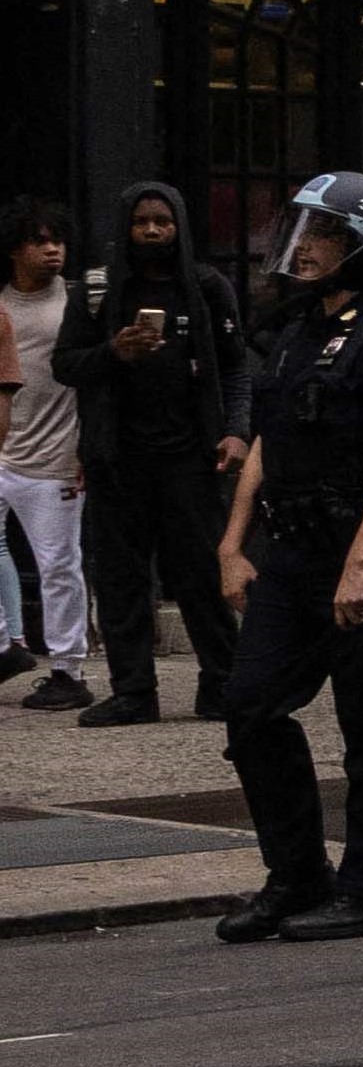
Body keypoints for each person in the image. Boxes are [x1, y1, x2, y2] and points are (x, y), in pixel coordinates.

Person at [207, 172, 363, 941]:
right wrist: (234, 542)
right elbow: (268, 441)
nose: (302, 250)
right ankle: (299, 875)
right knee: (249, 704)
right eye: (299, 233)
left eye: (323, 236)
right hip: (292, 554)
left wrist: (362, 563)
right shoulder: (298, 329)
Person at [63, 185, 245, 731]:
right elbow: (64, 364)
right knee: (120, 580)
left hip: (191, 456)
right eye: (141, 221)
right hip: (117, 458)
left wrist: (236, 431)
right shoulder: (97, 291)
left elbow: (237, 367)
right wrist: (113, 352)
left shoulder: (207, 287)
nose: (150, 231)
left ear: (179, 225)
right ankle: (133, 691)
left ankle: (221, 684)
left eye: (162, 221)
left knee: (200, 576)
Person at [0, 203, 83, 700]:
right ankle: (8, 645)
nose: (52, 249)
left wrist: (87, 451)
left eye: (58, 240)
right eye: (39, 240)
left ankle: (69, 669)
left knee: (58, 565)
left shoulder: (77, 304)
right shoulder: (1, 305)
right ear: (15, 249)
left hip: (56, 456)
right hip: (3, 448)